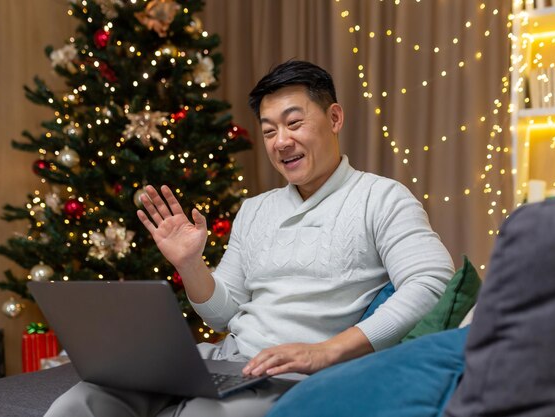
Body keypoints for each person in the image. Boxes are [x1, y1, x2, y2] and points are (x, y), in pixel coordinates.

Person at [44, 60, 454, 417]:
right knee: (82, 401)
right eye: (270, 130)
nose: (281, 142)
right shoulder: (255, 209)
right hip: (225, 361)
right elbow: (223, 314)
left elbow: (432, 283)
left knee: (200, 414)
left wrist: (326, 351)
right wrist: (190, 264)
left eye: (294, 123)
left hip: (294, 374)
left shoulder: (380, 197)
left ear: (334, 118)